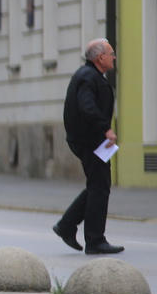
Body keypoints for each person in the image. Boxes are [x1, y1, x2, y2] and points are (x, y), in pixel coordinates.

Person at [52, 38, 124, 255]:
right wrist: (106, 129)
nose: (114, 57)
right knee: (99, 187)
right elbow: (87, 106)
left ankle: (67, 225)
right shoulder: (88, 77)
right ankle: (94, 240)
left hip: (91, 140)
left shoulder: (90, 76)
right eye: (111, 53)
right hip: (90, 140)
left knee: (98, 185)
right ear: (100, 57)